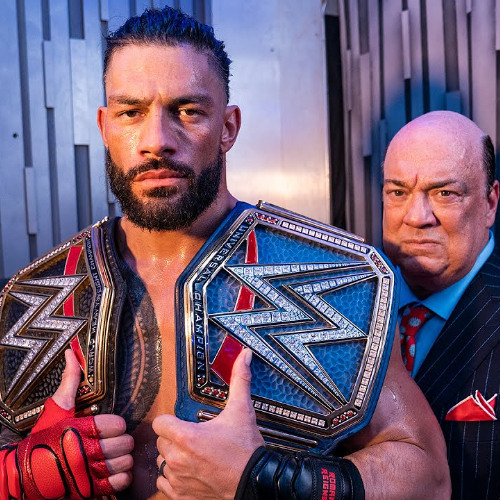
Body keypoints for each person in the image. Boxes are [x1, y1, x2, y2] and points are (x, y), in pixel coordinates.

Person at [0, 7, 450, 500]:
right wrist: (18, 475)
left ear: (228, 127)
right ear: (105, 128)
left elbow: (427, 476)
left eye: (187, 111)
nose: (157, 141)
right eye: (131, 113)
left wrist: (265, 479)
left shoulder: (330, 275)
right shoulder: (34, 297)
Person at [382, 110, 500, 499]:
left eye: (444, 193)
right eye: (398, 193)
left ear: (490, 203)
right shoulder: (344, 302)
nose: (417, 217)